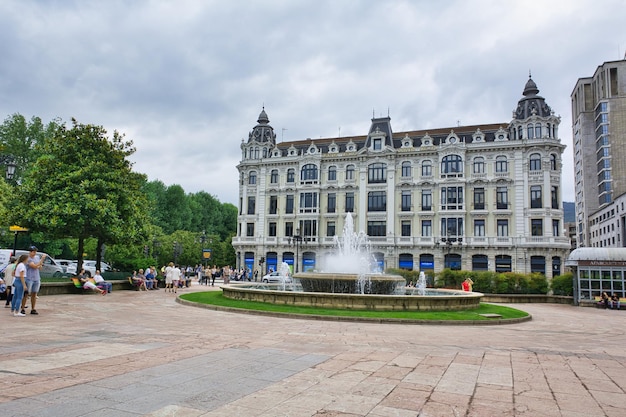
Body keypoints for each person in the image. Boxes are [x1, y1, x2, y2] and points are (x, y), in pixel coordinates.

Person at [22, 246, 45, 315]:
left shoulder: (37, 257)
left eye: (35, 252)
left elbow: (39, 266)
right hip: (29, 278)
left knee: (34, 293)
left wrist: (40, 265)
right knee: (26, 294)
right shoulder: (28, 259)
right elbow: (34, 266)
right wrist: (42, 259)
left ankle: (33, 308)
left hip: (36, 277)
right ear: (30, 252)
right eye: (33, 252)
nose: (34, 253)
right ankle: (22, 308)